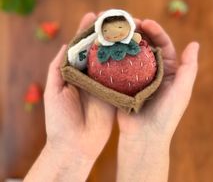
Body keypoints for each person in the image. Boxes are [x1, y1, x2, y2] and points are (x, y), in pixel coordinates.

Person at [24, 12, 199, 182]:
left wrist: (149, 141)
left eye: (120, 27)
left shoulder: (136, 45)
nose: (115, 33)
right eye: (108, 30)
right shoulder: (96, 50)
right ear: (101, 32)